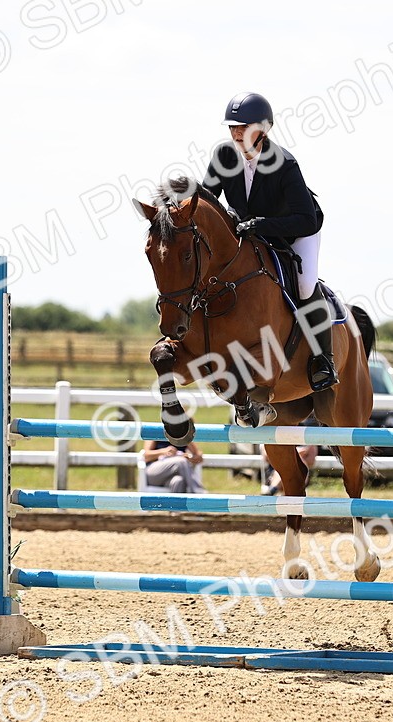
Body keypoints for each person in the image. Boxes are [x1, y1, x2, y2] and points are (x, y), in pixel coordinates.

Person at [201, 91, 335, 392]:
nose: (236, 132)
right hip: (251, 233)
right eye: (232, 126)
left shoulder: (285, 164)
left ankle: (323, 360)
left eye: (243, 126)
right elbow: (207, 200)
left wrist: (261, 225)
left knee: (304, 286)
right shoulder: (224, 157)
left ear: (263, 130)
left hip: (296, 232)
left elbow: (306, 219)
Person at [142, 439, 206, 493]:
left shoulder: (183, 433)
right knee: (181, 461)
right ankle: (198, 493)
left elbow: (199, 457)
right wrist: (163, 452)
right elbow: (146, 456)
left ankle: (177, 507)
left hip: (171, 476)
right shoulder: (157, 430)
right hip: (154, 474)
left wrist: (190, 457)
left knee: (178, 481)